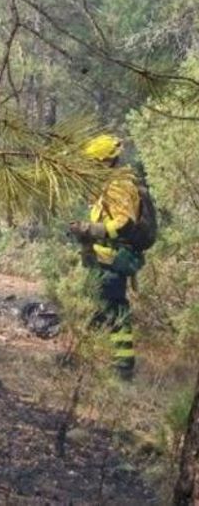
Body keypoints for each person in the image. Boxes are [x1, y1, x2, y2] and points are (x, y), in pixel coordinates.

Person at [68, 134, 155, 380]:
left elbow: (124, 224)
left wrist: (89, 230)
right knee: (100, 308)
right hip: (103, 258)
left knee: (113, 310)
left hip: (113, 260)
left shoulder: (119, 186)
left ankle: (121, 367)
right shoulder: (109, 184)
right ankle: (90, 359)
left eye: (92, 163)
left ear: (106, 161)